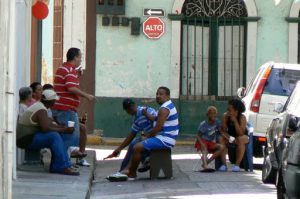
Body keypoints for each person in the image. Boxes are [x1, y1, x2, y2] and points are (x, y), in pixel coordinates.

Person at [16, 89, 79, 175]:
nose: (55, 102)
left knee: (56, 134)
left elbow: (48, 123)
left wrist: (61, 127)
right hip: (25, 139)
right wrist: (64, 129)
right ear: (50, 101)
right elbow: (46, 128)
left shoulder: (40, 106)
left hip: (28, 136)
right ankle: (62, 166)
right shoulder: (41, 109)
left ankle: (60, 165)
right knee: (54, 136)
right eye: (54, 100)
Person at [126, 86, 179, 180]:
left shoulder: (164, 109)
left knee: (137, 147)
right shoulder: (167, 105)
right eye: (157, 94)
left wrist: (147, 136)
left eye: (161, 94)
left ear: (168, 96)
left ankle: (132, 173)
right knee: (140, 142)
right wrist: (147, 114)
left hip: (165, 139)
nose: (158, 96)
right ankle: (145, 162)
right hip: (165, 138)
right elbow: (155, 118)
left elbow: (158, 127)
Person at [51, 47, 95, 158]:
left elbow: (68, 84)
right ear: (75, 57)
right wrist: (86, 96)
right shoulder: (69, 70)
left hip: (62, 109)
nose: (81, 60)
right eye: (80, 57)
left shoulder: (65, 69)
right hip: (66, 110)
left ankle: (65, 161)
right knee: (70, 137)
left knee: (69, 134)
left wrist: (77, 75)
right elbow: (71, 88)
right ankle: (63, 162)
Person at [105, 99, 157, 178]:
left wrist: (148, 134)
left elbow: (158, 121)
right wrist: (119, 148)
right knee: (134, 143)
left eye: (131, 108)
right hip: (148, 137)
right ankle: (125, 170)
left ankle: (127, 170)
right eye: (129, 109)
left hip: (156, 136)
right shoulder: (137, 118)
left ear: (134, 105)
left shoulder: (146, 110)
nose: (131, 110)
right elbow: (131, 135)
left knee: (135, 144)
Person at [219, 99, 249, 172]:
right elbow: (223, 131)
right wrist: (231, 139)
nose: (228, 111)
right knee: (221, 139)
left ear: (236, 111)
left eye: (230, 110)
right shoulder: (225, 116)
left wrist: (235, 121)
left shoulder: (242, 117)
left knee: (241, 139)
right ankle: (224, 165)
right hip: (229, 137)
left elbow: (241, 133)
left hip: (241, 137)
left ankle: (237, 165)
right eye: (227, 109)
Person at [195, 106, 225, 171]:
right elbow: (198, 136)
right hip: (202, 141)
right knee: (204, 149)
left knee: (222, 147)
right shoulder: (203, 124)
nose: (213, 115)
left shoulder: (217, 122)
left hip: (210, 142)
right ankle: (205, 167)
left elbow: (221, 131)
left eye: (215, 113)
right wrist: (202, 144)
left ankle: (207, 162)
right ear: (208, 115)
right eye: (211, 113)